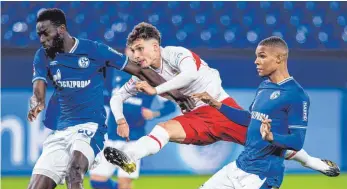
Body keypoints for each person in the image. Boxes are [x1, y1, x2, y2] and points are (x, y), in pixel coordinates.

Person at [104, 22, 340, 177]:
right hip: (196, 118)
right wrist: (121, 119)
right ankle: (130, 156)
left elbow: (190, 75)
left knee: (271, 145)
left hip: (221, 109)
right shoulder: (143, 74)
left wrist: (156, 91)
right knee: (163, 129)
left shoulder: (177, 54)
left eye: (139, 49)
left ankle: (313, 163)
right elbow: (117, 97)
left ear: (155, 47)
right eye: (132, 51)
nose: (136, 55)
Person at [26, 8, 165, 189]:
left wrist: (172, 92)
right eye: (39, 35)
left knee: (76, 172)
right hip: (68, 131)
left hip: (109, 132)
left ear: (61, 29)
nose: (41, 39)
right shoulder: (43, 55)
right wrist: (36, 101)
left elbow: (144, 79)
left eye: (45, 33)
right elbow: (39, 86)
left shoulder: (95, 51)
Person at [179, 36, 309, 189]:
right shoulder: (264, 87)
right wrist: (217, 104)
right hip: (240, 166)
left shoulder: (296, 96)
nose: (256, 61)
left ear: (279, 58)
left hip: (262, 174)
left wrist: (272, 137)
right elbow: (250, 119)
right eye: (256, 56)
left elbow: (297, 141)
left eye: (262, 56)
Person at [89, 84, 175, 189]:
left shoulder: (150, 82)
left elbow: (170, 106)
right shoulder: (117, 74)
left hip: (133, 142)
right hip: (111, 139)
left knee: (124, 182)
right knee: (96, 183)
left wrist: (155, 113)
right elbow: (107, 97)